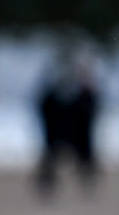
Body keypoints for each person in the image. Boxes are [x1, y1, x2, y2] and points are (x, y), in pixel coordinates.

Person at [35, 50, 103, 198]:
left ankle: (87, 181)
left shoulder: (83, 95)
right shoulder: (54, 97)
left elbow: (91, 108)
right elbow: (44, 106)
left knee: (83, 155)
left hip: (78, 131)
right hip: (57, 129)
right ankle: (48, 183)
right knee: (52, 156)